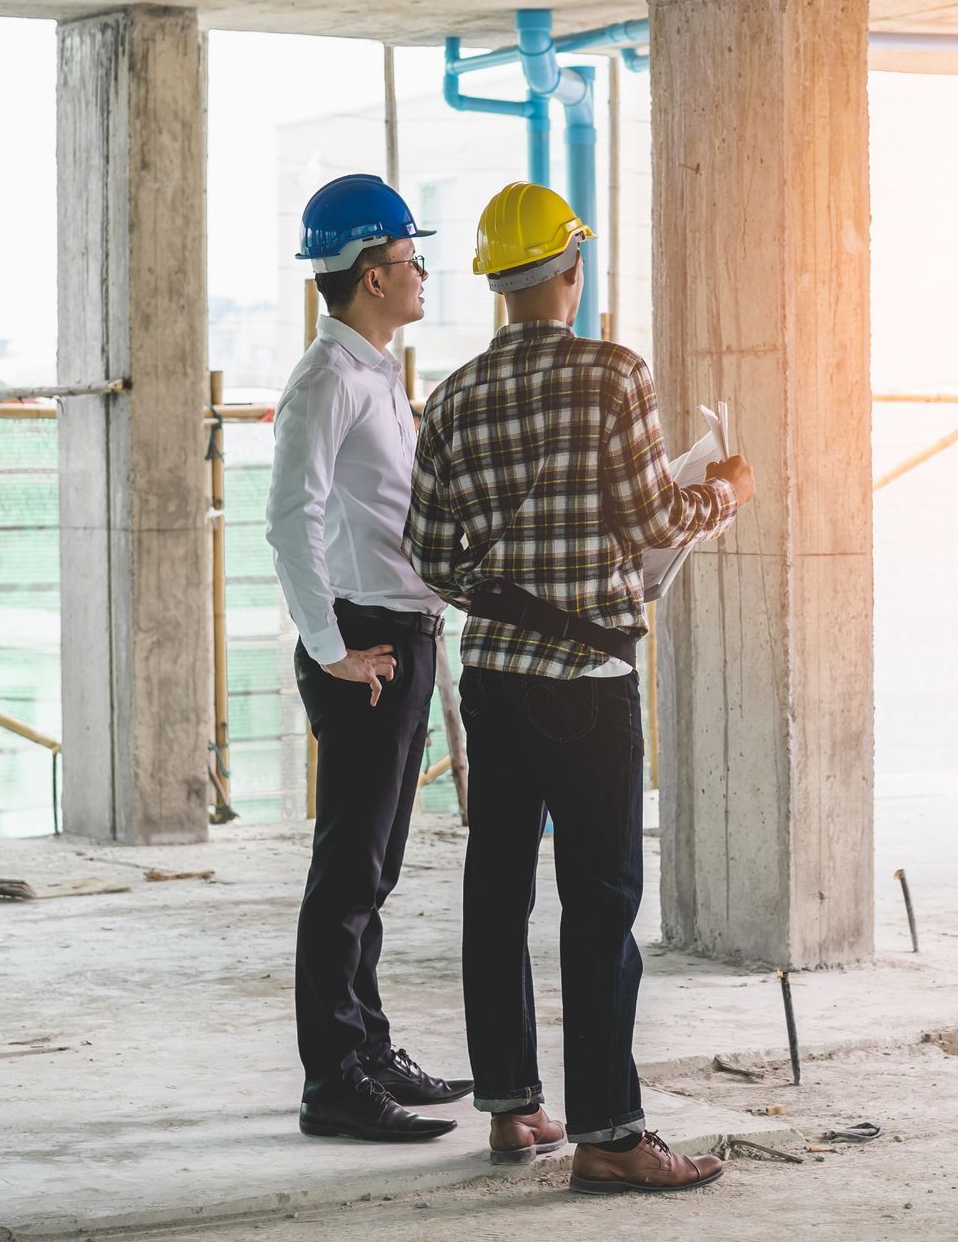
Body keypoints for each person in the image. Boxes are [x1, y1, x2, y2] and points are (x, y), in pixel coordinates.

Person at [405, 182, 752, 1189]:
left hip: (492, 677)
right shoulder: (613, 374)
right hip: (589, 679)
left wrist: (505, 586)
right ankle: (608, 1131)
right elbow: (652, 518)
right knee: (599, 899)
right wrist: (726, 491)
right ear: (573, 270)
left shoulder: (454, 397)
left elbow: (429, 555)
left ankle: (515, 1110)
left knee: (496, 889)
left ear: (498, 286)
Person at [266, 174, 472, 1143]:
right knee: (348, 869)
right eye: (410, 259)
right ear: (373, 274)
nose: (423, 271)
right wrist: (332, 647)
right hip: (366, 642)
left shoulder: (375, 372)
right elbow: (288, 520)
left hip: (403, 633)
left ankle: (369, 1048)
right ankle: (333, 1082)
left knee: (376, 865)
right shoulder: (325, 384)